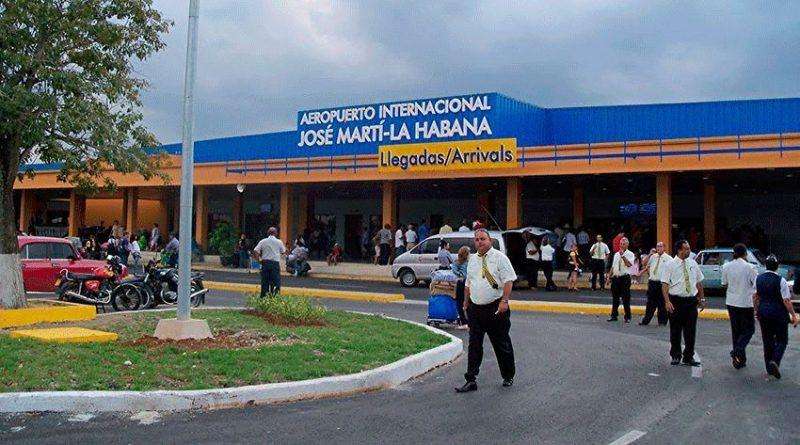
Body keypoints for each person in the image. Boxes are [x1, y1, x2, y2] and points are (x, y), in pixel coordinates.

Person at [455, 229, 517, 393]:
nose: (479, 242)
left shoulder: (499, 258)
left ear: (490, 241)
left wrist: (504, 300)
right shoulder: (473, 260)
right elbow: (469, 282)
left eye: (483, 239)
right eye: (477, 239)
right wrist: (466, 302)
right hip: (476, 309)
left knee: (501, 343)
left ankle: (508, 375)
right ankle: (471, 379)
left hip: (496, 307)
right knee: (474, 344)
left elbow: (508, 280)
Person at [754, 255, 799, 379]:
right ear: (777, 266)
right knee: (782, 340)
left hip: (764, 313)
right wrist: (793, 316)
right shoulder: (781, 280)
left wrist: (757, 311)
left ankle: (769, 368)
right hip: (779, 314)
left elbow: (756, 297)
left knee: (767, 341)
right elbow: (786, 301)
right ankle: (775, 360)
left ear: (766, 266)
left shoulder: (759, 279)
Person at [662, 239, 705, 366]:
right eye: (686, 248)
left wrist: (701, 298)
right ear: (679, 250)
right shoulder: (670, 264)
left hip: (690, 301)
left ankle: (688, 356)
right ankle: (675, 355)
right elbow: (664, 284)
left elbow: (698, 282)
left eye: (689, 248)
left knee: (690, 330)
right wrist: (667, 301)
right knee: (675, 330)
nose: (688, 250)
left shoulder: (692, 263)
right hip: (676, 300)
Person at [721, 243, 758, 369]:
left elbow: (724, 283)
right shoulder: (750, 267)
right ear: (745, 254)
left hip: (731, 302)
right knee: (749, 329)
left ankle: (739, 360)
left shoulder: (726, 266)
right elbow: (755, 285)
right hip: (746, 302)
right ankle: (738, 350)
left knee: (736, 331)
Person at [639, 242, 670, 326]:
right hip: (652, 282)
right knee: (650, 303)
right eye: (657, 246)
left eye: (660, 246)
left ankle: (662, 321)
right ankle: (646, 320)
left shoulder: (668, 258)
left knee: (662, 303)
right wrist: (649, 254)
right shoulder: (653, 257)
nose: (658, 248)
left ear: (664, 248)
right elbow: (644, 263)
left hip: (661, 283)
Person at [607, 237, 635, 322]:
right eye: (621, 244)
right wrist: (609, 277)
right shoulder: (616, 254)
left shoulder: (630, 254)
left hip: (624, 278)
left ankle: (628, 317)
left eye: (623, 244)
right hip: (616, 277)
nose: (621, 246)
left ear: (627, 245)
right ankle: (614, 315)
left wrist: (623, 256)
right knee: (615, 298)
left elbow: (629, 264)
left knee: (625, 298)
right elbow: (613, 266)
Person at [253, 227, 286, 297]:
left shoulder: (263, 241)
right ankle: (274, 297)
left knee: (265, 282)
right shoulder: (279, 242)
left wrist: (258, 260)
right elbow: (283, 252)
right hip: (275, 264)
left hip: (265, 263)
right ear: (276, 233)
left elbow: (256, 250)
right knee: (276, 282)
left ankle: (264, 297)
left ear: (268, 233)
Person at [451, 246, 470, 329]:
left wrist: (460, 275)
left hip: (461, 283)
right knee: (467, 302)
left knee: (459, 303)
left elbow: (454, 271)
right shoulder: (468, 262)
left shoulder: (457, 263)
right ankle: (468, 321)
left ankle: (463, 322)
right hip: (467, 283)